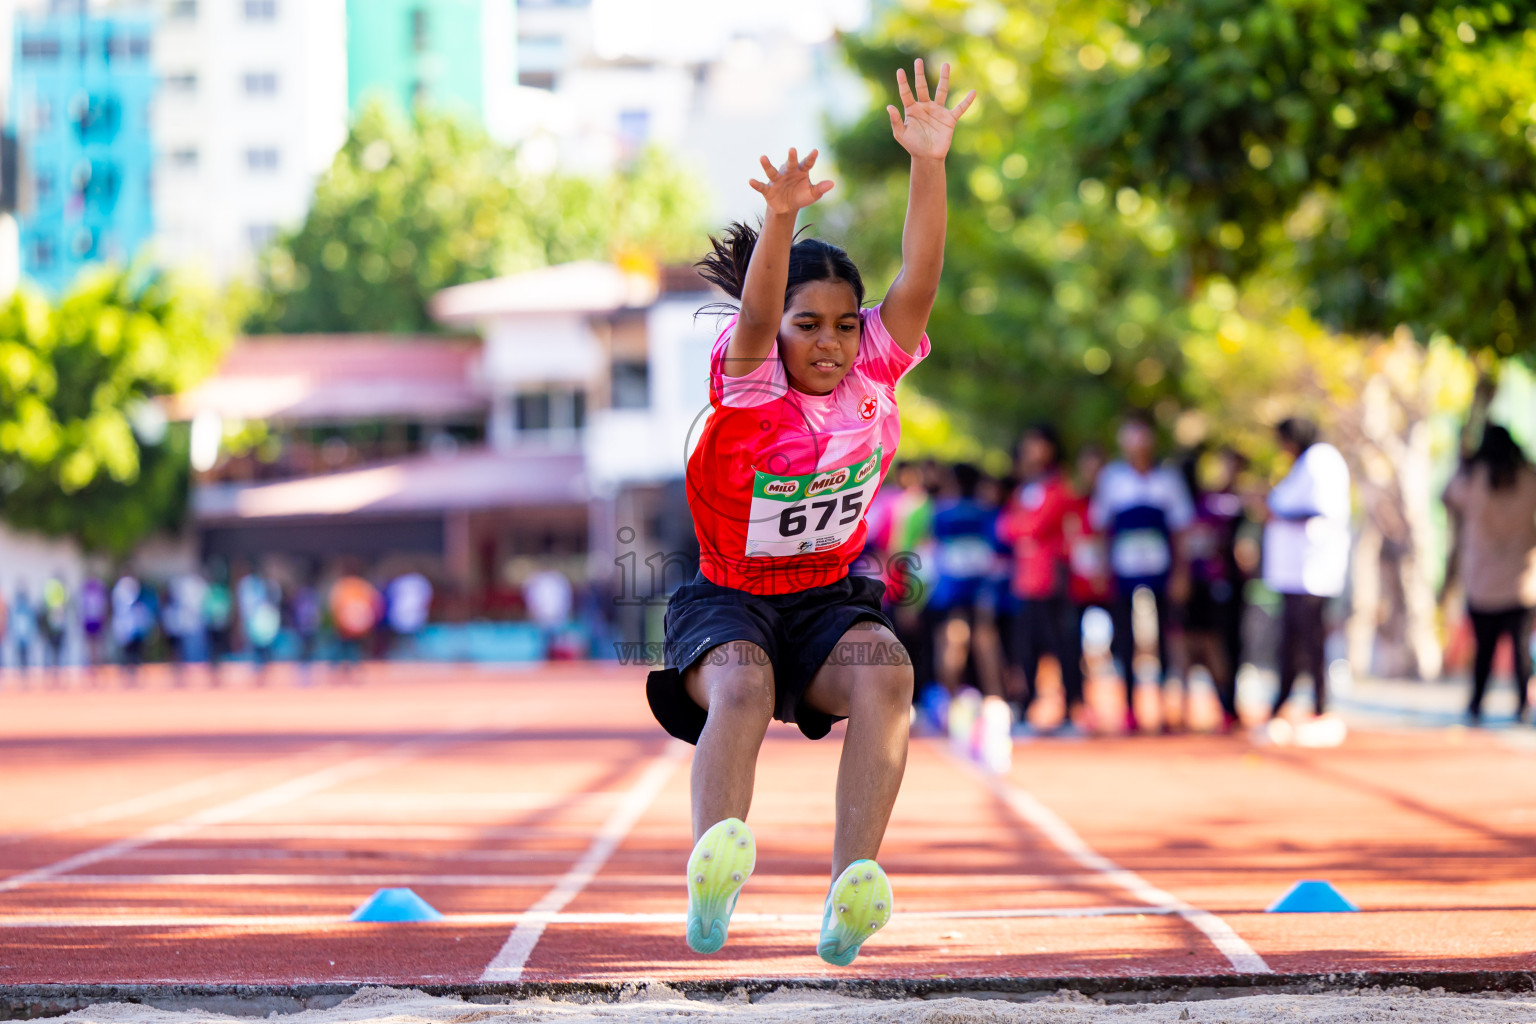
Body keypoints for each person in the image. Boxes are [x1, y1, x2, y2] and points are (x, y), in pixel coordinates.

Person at [643, 59, 972, 966]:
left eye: (840, 324)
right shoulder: (749, 388)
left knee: (889, 674)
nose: (827, 342)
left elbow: (923, 273)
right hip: (730, 598)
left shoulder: (874, 368)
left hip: (827, 598)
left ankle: (849, 890)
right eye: (806, 326)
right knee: (742, 686)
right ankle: (715, 871)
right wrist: (781, 221)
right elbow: (756, 318)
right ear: (776, 330)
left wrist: (929, 164)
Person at [1090, 414, 1195, 732]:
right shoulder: (1112, 479)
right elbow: (1100, 527)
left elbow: (1181, 529)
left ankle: (1165, 705)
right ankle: (1130, 709)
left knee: (1165, 636)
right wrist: (1100, 567)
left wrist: (1181, 573)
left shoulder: (1167, 479)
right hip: (1123, 570)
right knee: (1124, 637)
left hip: (1160, 569)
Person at [1442, 425, 1536, 725]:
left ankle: (1476, 705)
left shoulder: (1473, 477)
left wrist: (1462, 463)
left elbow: (1447, 497)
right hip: (1522, 579)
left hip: (1482, 578)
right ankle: (1522, 704)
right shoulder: (1528, 476)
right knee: (1521, 647)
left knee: (1484, 648)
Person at [1264, 417, 1351, 725]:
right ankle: (1286, 701)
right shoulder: (1306, 463)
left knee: (1310, 641)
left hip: (1312, 571)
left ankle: (1320, 704)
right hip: (1295, 572)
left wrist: (1276, 511)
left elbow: (1320, 509)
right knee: (1291, 640)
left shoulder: (1321, 460)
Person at [997, 424, 1083, 732]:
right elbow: (1005, 528)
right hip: (1025, 581)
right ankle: (1024, 707)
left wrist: (1023, 527)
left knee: (1062, 646)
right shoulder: (1025, 489)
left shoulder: (1059, 486)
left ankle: (1073, 710)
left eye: (1039, 444)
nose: (1033, 451)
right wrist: (1023, 526)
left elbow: (1033, 526)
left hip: (1053, 580)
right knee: (1025, 647)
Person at [926, 463, 1010, 767]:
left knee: (952, 643)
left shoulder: (941, 512)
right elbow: (996, 547)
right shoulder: (986, 512)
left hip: (951, 587)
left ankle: (949, 704)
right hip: (980, 586)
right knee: (985, 642)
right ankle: (995, 701)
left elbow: (934, 546)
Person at [1180, 447, 1252, 731]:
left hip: (1232, 584)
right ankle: (1199, 705)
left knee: (1231, 645)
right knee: (1202, 644)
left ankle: (1228, 705)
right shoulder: (1203, 500)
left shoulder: (1247, 502)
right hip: (1203, 584)